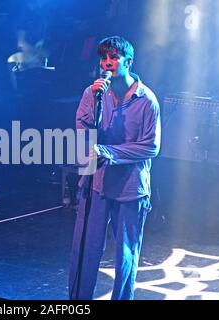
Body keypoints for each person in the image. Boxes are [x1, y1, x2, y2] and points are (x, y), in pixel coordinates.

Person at [69, 36, 161, 300]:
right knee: (85, 249)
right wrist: (94, 109)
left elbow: (151, 147)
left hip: (131, 187)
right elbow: (83, 133)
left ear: (128, 62)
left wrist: (109, 153)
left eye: (113, 58)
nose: (107, 63)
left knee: (126, 254)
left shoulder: (147, 100)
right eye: (103, 58)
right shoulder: (93, 93)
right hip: (96, 183)